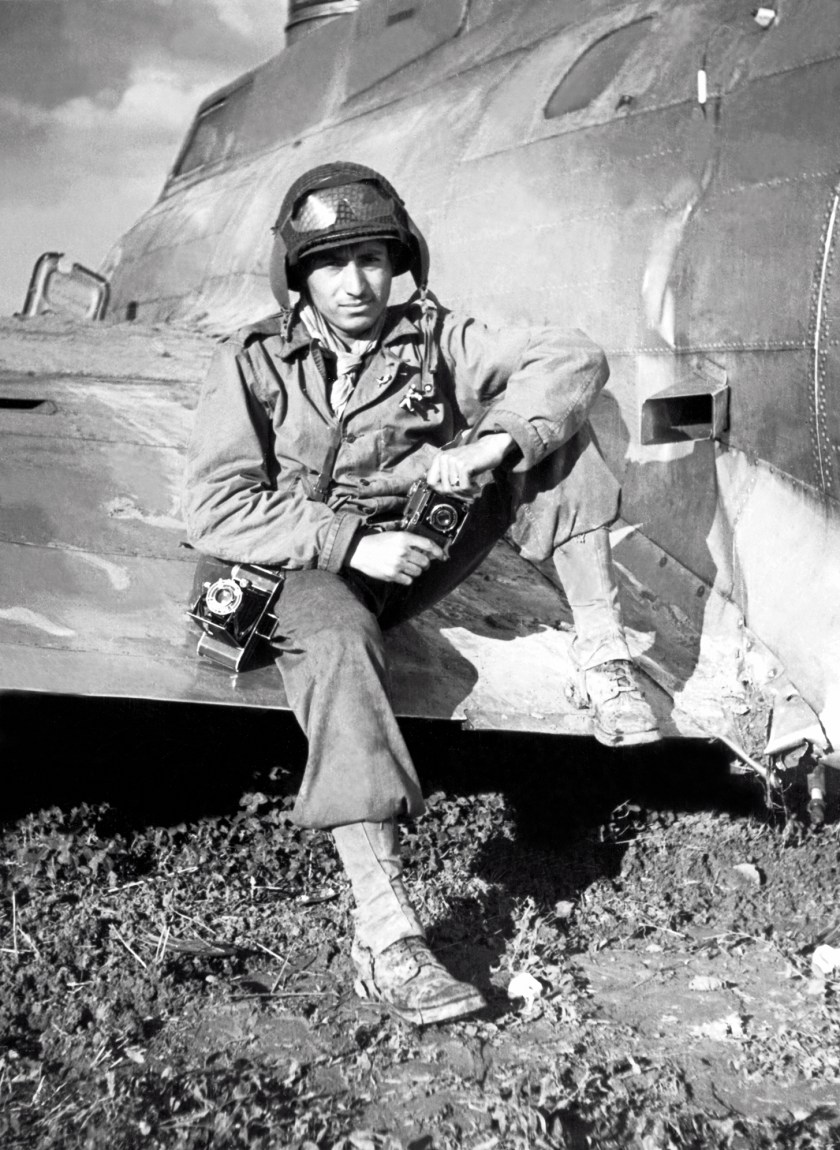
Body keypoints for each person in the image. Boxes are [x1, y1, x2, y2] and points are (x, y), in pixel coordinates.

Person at [183, 161, 660, 1025]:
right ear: (300, 276)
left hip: (410, 546)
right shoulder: (251, 361)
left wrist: (490, 447)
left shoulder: (436, 334)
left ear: (399, 260)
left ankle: (604, 652)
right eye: (331, 264)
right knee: (334, 641)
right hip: (305, 565)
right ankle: (385, 931)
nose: (355, 282)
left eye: (372, 258)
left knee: (560, 433)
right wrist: (351, 543)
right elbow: (215, 507)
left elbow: (571, 355)